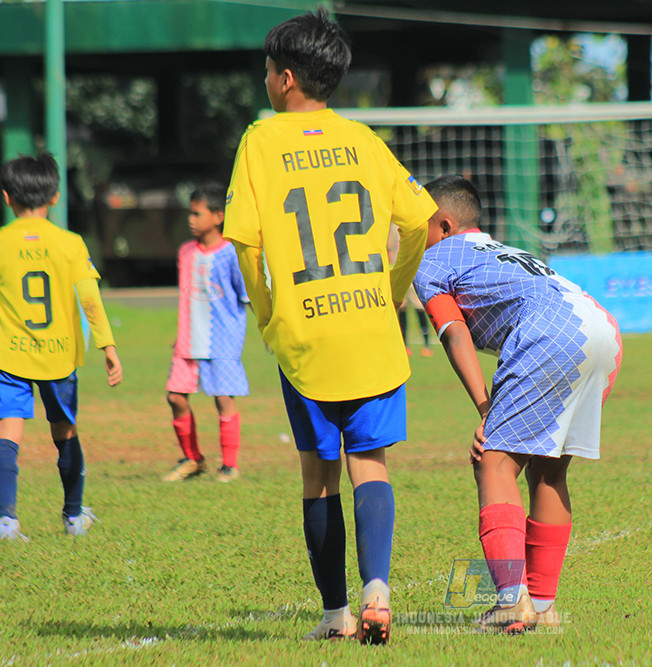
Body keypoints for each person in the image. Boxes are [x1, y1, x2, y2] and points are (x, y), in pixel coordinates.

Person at [222, 8, 435, 645]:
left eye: (268, 70)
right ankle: (378, 590)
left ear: (286, 79)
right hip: (370, 329)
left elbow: (247, 244)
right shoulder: (364, 139)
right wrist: (389, 292)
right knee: (371, 465)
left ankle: (336, 615)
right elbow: (419, 221)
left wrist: (268, 313)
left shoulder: (260, 141)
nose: (266, 80)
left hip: (305, 334)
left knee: (319, 476)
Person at [413, 175, 622, 634]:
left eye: (417, 224)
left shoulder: (431, 259)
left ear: (443, 225)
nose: (412, 233)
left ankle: (511, 601)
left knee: (493, 463)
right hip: (603, 330)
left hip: (550, 334)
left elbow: (453, 332)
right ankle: (543, 607)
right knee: (549, 470)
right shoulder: (501, 251)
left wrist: (485, 407)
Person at [0, 153, 123, 541]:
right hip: (59, 355)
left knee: (7, 431)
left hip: (11, 355)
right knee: (64, 430)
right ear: (55, 196)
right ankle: (74, 516)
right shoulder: (70, 243)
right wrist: (108, 346)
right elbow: (90, 299)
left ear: (7, 197)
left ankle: (7, 521)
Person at [162, 184, 250, 483]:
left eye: (197, 214)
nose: (191, 219)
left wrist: (266, 328)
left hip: (222, 340)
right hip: (188, 341)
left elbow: (246, 295)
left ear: (218, 216)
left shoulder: (231, 253)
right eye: (190, 213)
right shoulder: (186, 252)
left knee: (223, 398)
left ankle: (229, 465)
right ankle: (192, 459)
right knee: (175, 397)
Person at [387, 224, 433, 357]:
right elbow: (390, 248)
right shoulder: (395, 226)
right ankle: (406, 345)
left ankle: (426, 344)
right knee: (403, 307)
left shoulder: (406, 224)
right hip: (400, 269)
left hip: (410, 270)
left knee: (418, 307)